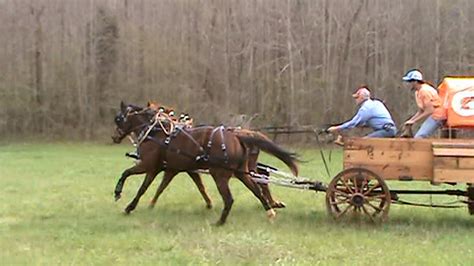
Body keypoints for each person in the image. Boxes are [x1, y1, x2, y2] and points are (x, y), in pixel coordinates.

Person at [327, 86, 397, 138]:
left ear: (362, 98)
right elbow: (378, 120)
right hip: (390, 130)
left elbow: (354, 122)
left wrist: (336, 128)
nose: (355, 100)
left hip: (386, 131)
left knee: (363, 143)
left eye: (357, 97)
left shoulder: (366, 108)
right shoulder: (377, 103)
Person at [401, 69, 446, 138]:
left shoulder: (424, 91)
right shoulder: (418, 92)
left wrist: (414, 121)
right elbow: (421, 110)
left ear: (415, 81)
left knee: (420, 136)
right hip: (433, 115)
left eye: (409, 81)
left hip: (438, 116)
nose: (408, 84)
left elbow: (430, 110)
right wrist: (411, 120)